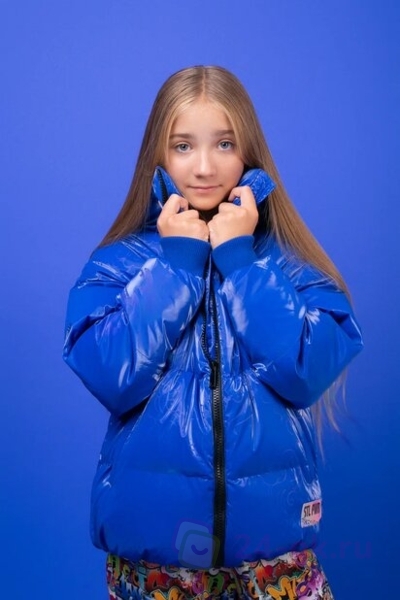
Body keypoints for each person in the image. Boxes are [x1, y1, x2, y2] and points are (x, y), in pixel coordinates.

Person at [63, 65, 363, 600]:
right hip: (157, 568)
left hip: (274, 563)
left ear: (249, 152)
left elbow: (306, 370)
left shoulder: (286, 264)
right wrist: (176, 266)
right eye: (183, 146)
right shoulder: (117, 265)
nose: (204, 167)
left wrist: (241, 263)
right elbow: (112, 374)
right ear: (157, 154)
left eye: (224, 144)